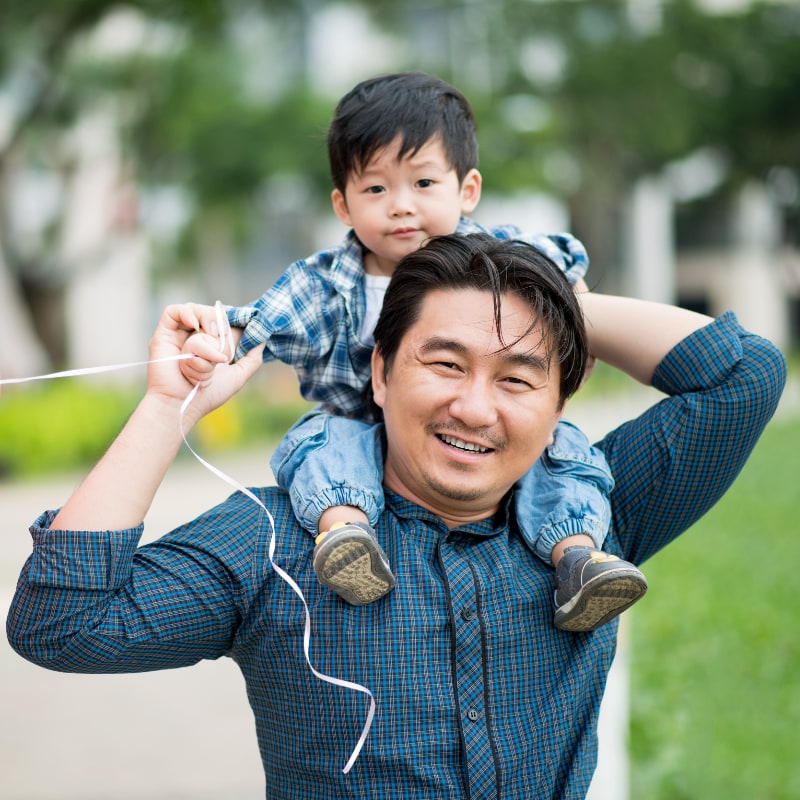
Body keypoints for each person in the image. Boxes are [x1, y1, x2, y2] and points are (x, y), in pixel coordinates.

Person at [7, 234, 786, 798]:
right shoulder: (276, 539)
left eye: (519, 378)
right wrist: (164, 408)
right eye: (444, 363)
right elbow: (62, 623)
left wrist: (553, 298)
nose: (473, 406)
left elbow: (745, 375)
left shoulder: (597, 517)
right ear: (379, 371)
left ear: (558, 406)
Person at [180, 71, 646, 630]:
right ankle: (347, 537)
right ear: (343, 206)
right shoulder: (328, 283)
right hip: (359, 425)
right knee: (316, 444)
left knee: (564, 453)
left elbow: (568, 280)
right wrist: (218, 341)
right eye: (376, 189)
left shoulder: (501, 257)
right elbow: (266, 319)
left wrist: (576, 327)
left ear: (466, 190)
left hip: (471, 426)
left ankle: (577, 557)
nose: (401, 206)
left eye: (423, 184)